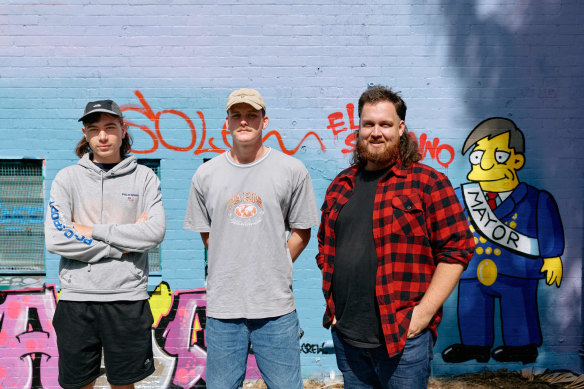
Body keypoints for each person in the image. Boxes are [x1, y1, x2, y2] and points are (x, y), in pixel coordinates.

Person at [316, 85, 475, 388]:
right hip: (348, 338)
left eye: (385, 124)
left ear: (400, 128)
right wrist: (334, 310)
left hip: (402, 339)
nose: (376, 132)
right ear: (359, 127)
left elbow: (458, 250)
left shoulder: (428, 183)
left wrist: (423, 314)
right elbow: (325, 245)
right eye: (368, 124)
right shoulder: (341, 185)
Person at [184, 88, 319, 389]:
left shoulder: (291, 170)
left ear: (264, 121)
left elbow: (302, 231)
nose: (243, 122)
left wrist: (276, 261)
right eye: (237, 116)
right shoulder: (206, 175)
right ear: (227, 123)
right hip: (223, 309)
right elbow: (208, 234)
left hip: (276, 309)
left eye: (251, 116)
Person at [46, 100, 166, 389]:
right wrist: (120, 245)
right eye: (94, 129)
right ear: (86, 135)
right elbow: (56, 237)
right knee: (78, 385)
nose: (102, 136)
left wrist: (91, 230)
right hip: (77, 299)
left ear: (123, 131)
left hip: (127, 298)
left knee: (124, 384)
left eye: (110, 128)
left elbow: (154, 232)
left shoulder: (145, 178)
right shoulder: (67, 179)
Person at [441, 117, 564, 364]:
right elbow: (448, 225)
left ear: (516, 161)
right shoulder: (464, 197)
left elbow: (548, 225)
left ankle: (521, 347)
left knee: (518, 306)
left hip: (516, 270)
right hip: (473, 269)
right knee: (472, 305)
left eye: (497, 156)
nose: (485, 164)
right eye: (478, 157)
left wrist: (552, 257)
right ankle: (475, 346)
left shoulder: (535, 199)